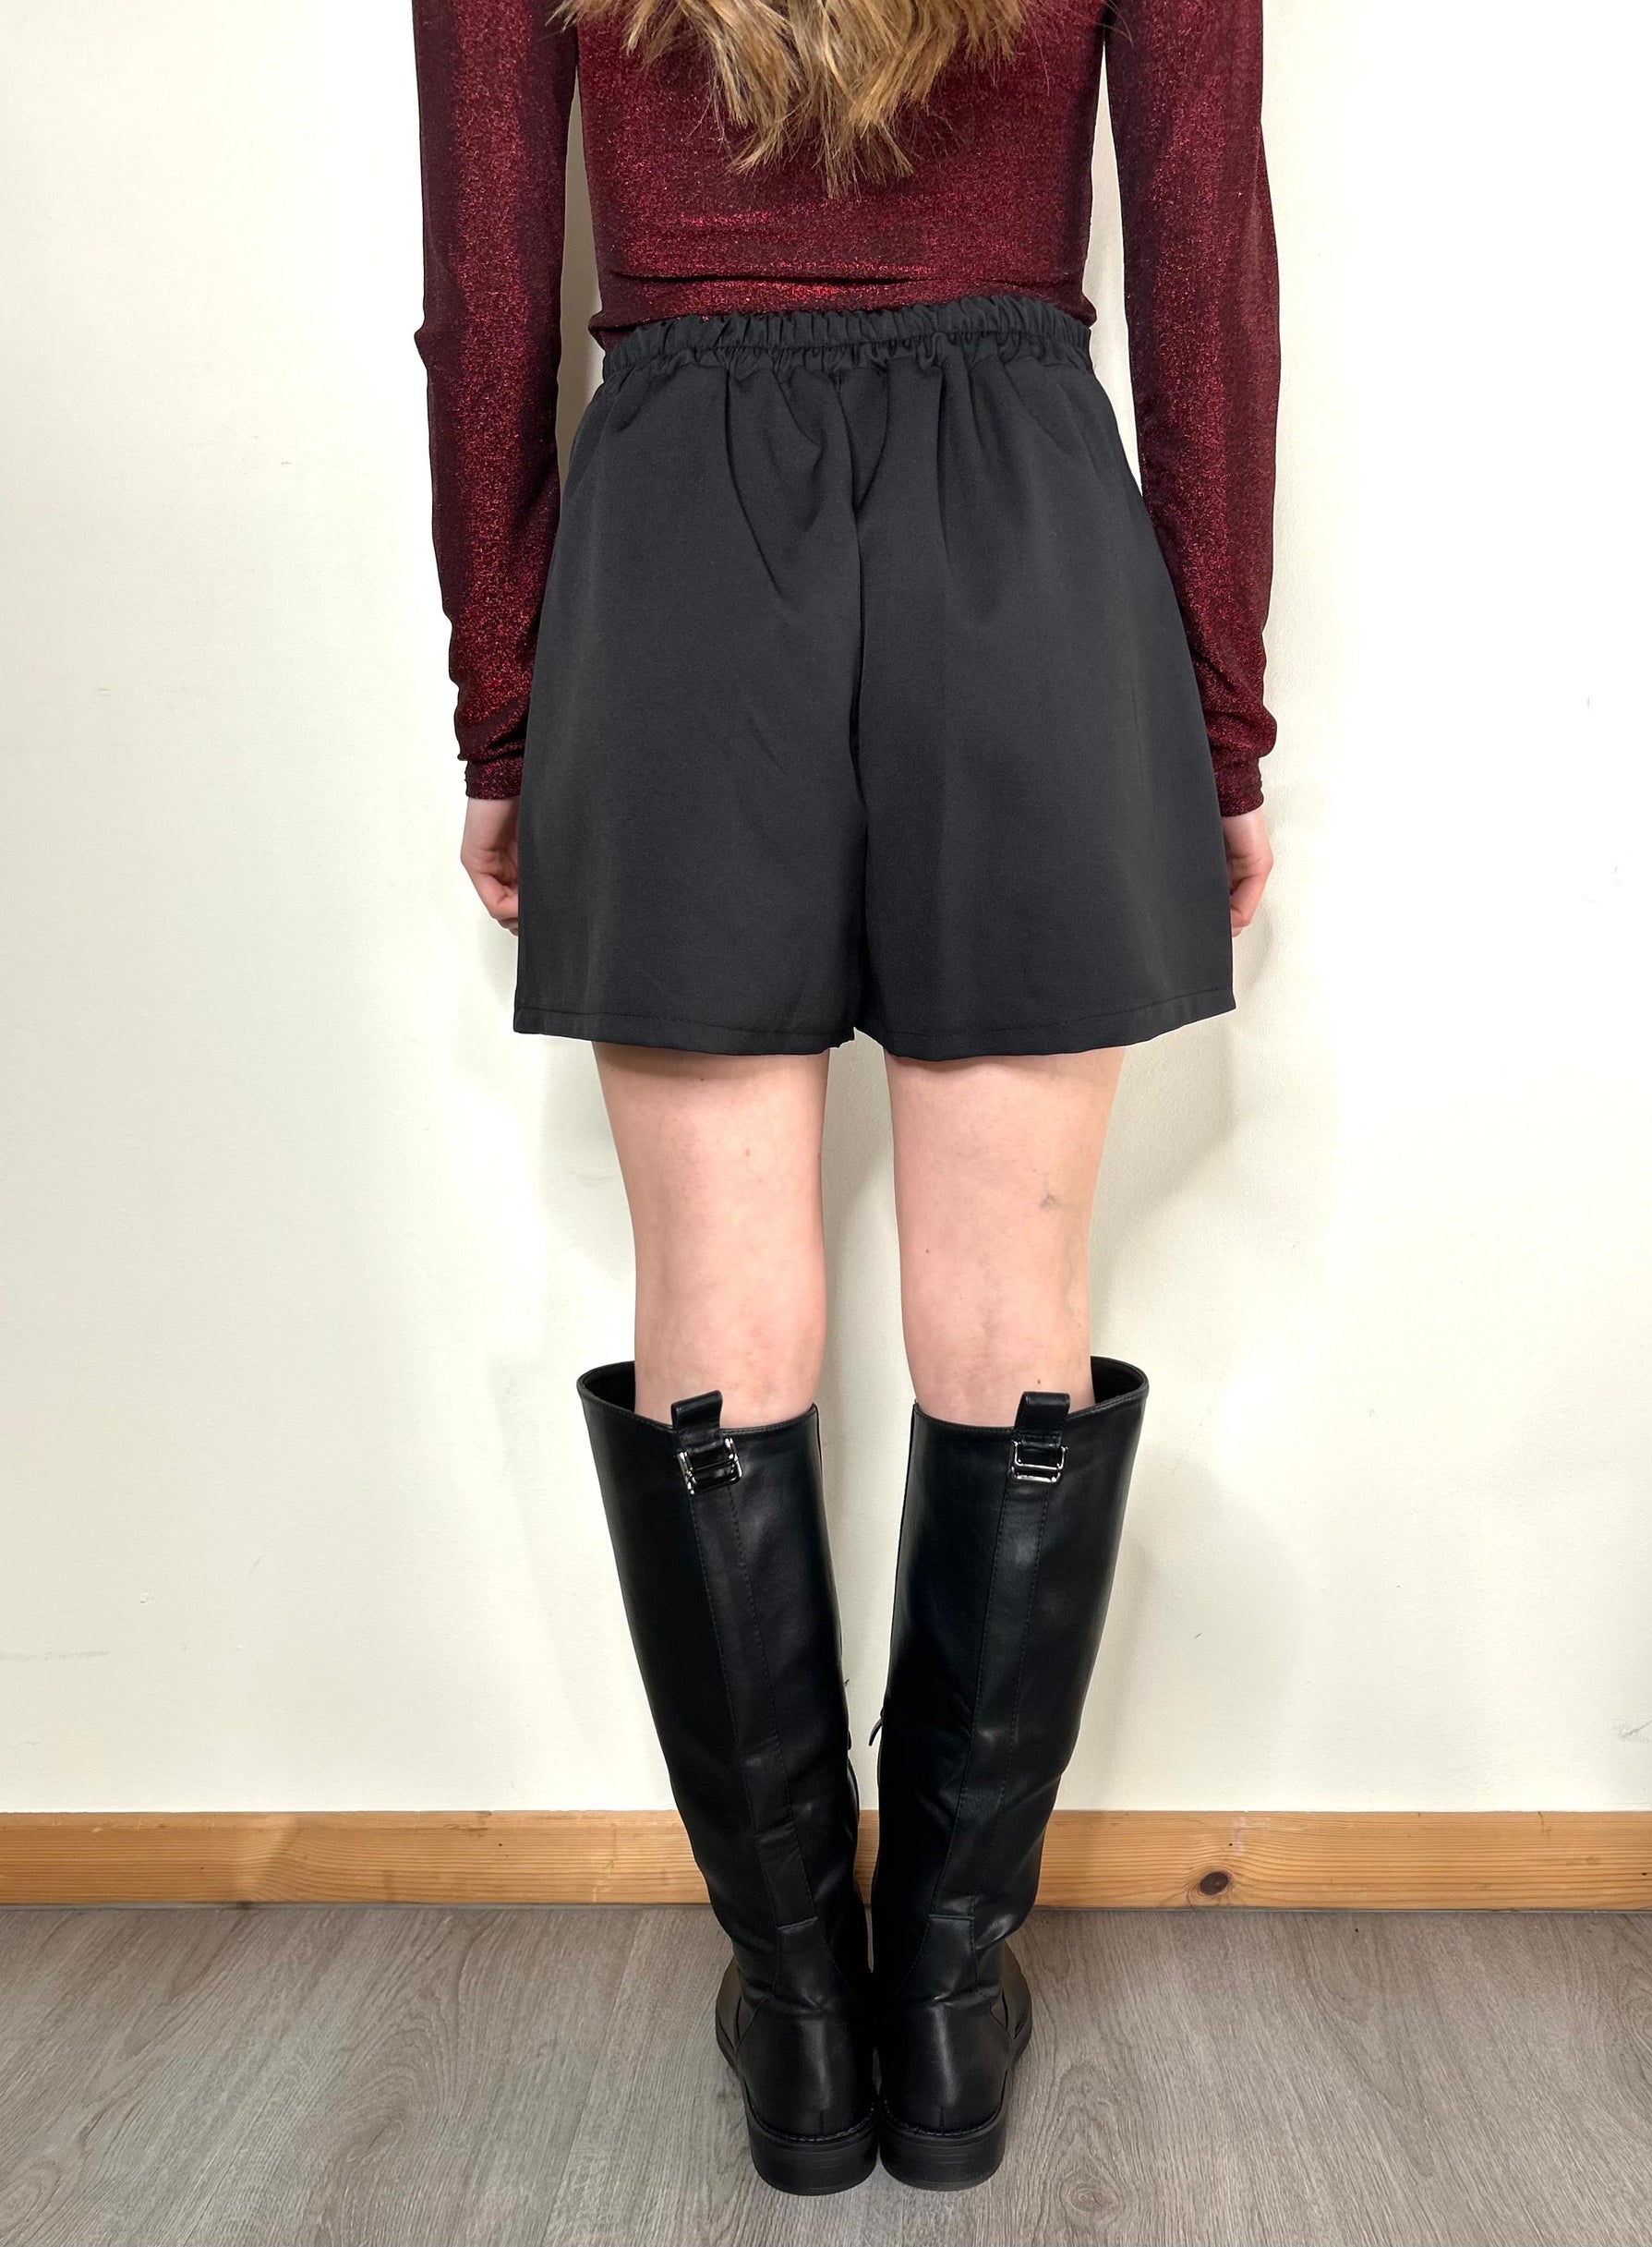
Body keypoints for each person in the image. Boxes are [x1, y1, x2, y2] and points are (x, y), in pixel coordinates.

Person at [410, 0, 1277, 2194]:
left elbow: (490, 292)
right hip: (1027, 535)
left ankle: (803, 2011)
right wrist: (1215, 724)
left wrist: (508, 707)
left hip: (676, 546)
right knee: (1012, 1292)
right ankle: (945, 1996)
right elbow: (1202, 276)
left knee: (715, 1286)